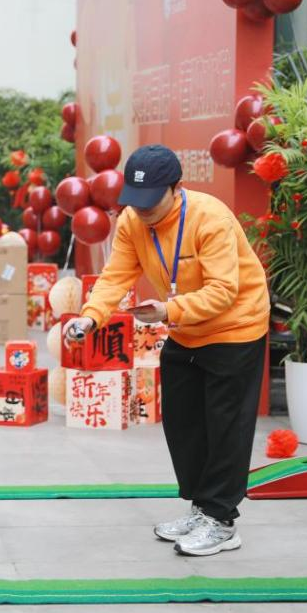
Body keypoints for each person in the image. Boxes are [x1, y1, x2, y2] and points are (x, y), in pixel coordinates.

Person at [66, 144, 269, 557]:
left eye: (150, 200)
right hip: (185, 328)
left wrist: (167, 310)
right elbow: (116, 276)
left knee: (225, 426)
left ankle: (221, 520)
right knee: (183, 422)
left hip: (235, 327)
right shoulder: (131, 220)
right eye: (135, 199)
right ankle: (201, 508)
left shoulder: (209, 219)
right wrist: (90, 317)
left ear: (176, 188)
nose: (141, 209)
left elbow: (223, 290)